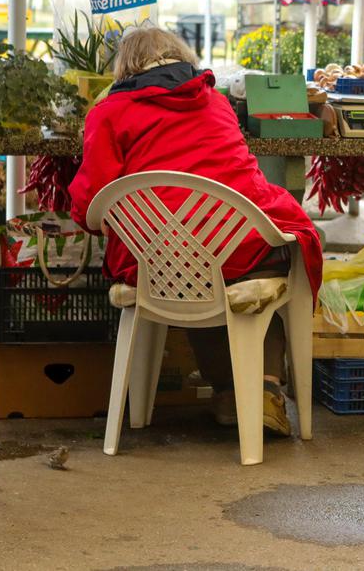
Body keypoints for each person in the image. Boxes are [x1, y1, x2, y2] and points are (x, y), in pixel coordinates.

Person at [69, 27, 322, 436]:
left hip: (159, 263)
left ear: (125, 68)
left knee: (185, 263)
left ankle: (230, 394)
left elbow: (90, 204)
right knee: (270, 261)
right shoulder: (217, 103)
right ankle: (264, 390)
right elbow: (245, 180)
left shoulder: (107, 113)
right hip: (236, 248)